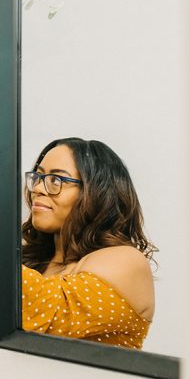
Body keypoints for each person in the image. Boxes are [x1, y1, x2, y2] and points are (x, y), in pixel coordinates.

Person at [21, 137, 157, 349]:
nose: (38, 188)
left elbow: (46, 311)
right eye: (38, 177)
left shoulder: (126, 259)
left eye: (56, 180)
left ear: (96, 193)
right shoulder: (35, 262)